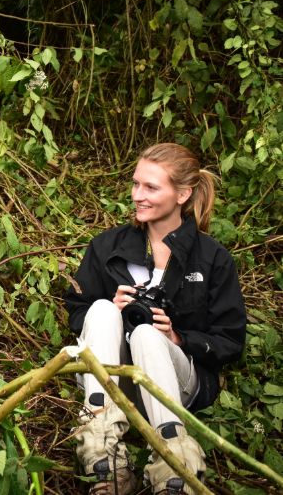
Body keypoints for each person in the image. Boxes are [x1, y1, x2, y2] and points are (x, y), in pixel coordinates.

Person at [64, 143, 246, 495]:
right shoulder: (106, 246)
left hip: (176, 380)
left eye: (151, 187)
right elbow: (78, 310)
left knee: (149, 335)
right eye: (135, 185)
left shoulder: (212, 258)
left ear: (182, 194)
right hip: (113, 377)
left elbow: (230, 341)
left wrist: (178, 338)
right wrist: (112, 308)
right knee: (101, 309)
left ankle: (173, 466)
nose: (138, 196)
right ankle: (104, 457)